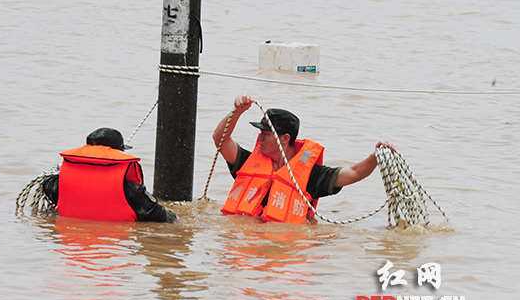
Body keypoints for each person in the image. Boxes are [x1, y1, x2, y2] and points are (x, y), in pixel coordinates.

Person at [212, 94, 394, 224]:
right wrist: (237, 112)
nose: (259, 138)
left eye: (266, 134)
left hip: (283, 248)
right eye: (260, 132)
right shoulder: (248, 162)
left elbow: (353, 173)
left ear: (285, 139)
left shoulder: (310, 176)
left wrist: (375, 156)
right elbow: (220, 139)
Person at [42, 127, 177, 223]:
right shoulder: (130, 191)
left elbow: (46, 185)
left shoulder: (58, 184)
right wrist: (173, 214)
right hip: (114, 246)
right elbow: (160, 217)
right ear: (119, 153)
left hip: (72, 245)